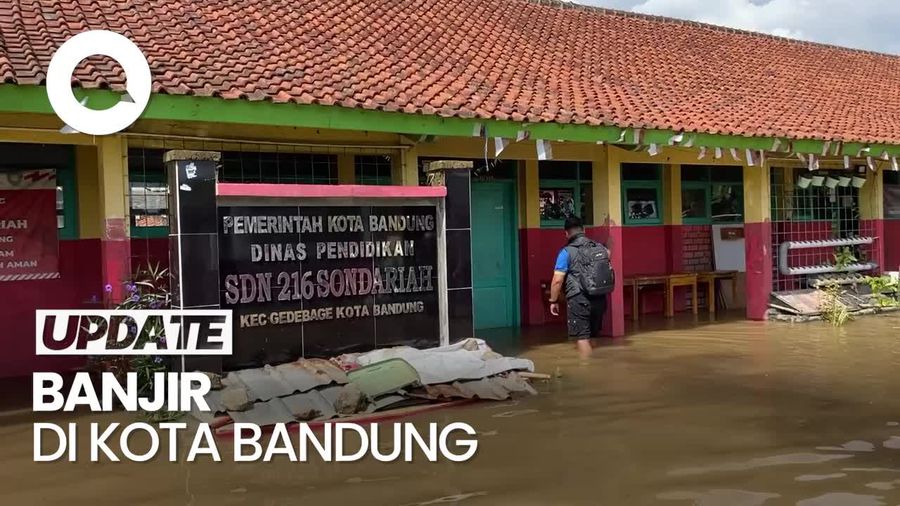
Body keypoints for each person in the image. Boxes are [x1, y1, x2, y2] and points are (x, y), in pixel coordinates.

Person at [548, 216, 610, 357]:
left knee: (582, 338)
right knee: (593, 336)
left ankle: (586, 370)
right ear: (584, 230)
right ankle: (595, 369)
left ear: (566, 233)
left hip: (578, 299)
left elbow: (557, 280)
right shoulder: (599, 247)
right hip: (599, 298)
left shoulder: (566, 252)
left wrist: (553, 300)